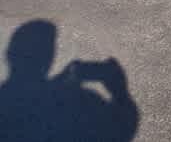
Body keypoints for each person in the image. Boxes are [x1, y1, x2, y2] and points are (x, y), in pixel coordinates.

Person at [0, 20, 139, 141]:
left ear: (8, 55)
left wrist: (57, 83)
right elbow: (121, 131)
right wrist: (120, 92)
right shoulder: (86, 101)